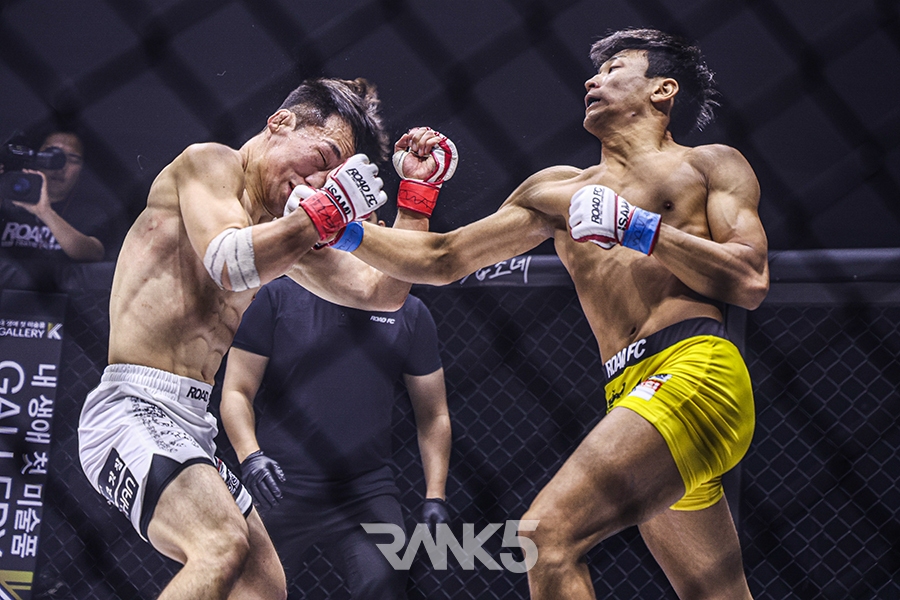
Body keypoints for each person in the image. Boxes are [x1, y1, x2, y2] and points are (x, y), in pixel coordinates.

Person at [345, 29, 768, 599]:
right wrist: (339, 225)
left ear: (662, 89)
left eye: (615, 69)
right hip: (628, 392)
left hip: (695, 370)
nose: (593, 79)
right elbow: (442, 259)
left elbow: (749, 279)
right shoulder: (557, 191)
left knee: (546, 537)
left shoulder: (709, 164)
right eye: (595, 71)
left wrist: (638, 227)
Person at [76, 74, 457, 600]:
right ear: (280, 123)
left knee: (262, 586)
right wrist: (327, 210)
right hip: (132, 405)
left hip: (192, 422)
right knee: (220, 545)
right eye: (321, 159)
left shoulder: (286, 229)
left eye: (335, 177)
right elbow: (229, 261)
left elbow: (382, 292)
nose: (320, 181)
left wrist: (415, 198)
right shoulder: (209, 164)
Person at [219, 212, 451, 597]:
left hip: (366, 487)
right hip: (281, 483)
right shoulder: (278, 295)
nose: (348, 234)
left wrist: (435, 494)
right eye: (341, 222)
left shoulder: (409, 312)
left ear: (379, 231)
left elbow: (434, 414)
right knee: (248, 588)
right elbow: (236, 390)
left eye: (361, 223)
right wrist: (250, 456)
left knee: (387, 583)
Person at [0, 129, 108, 289]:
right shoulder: (6, 202)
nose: (60, 166)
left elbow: (94, 254)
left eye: (72, 159)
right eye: (50, 155)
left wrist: (45, 212)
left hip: (62, 297)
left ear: (82, 168)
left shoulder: (90, 213)